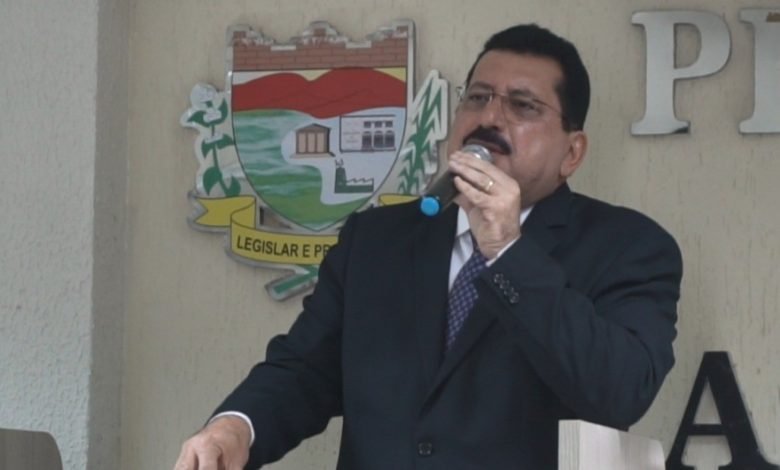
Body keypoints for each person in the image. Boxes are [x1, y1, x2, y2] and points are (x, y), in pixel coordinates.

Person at [175, 23, 683, 470]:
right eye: (478, 97)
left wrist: (507, 249)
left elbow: (620, 391)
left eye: (522, 105)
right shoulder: (376, 240)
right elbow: (307, 369)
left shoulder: (629, 248)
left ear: (572, 152)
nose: (491, 117)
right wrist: (235, 428)